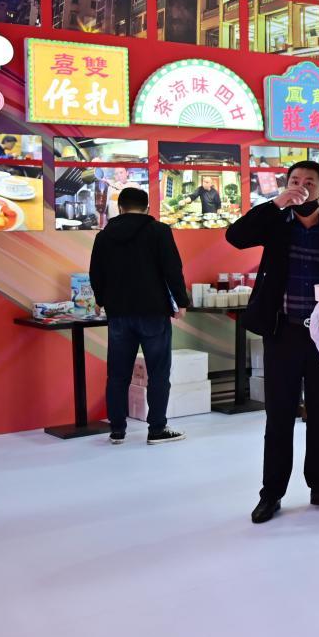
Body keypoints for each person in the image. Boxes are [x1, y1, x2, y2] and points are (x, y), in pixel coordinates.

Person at [225, 160, 319, 525]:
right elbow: (235, 236)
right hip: (282, 332)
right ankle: (271, 494)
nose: (301, 186)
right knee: (279, 415)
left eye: (309, 182)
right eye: (294, 180)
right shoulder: (276, 223)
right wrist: (276, 203)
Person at [88, 186, 188, 445]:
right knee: (158, 373)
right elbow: (172, 268)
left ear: (120, 208)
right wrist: (181, 301)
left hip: (119, 313)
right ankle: (157, 429)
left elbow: (96, 272)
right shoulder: (159, 231)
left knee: (118, 374)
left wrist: (100, 300)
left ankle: (117, 430)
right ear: (147, 208)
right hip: (153, 311)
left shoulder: (105, 235)